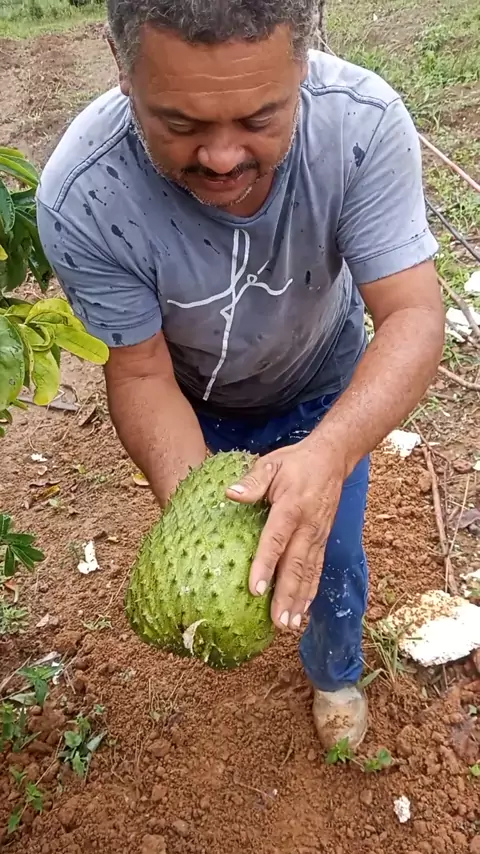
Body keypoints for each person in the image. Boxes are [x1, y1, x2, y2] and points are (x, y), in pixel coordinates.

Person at [36, 0, 445, 750]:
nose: (223, 158)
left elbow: (413, 314)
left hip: (325, 388)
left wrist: (329, 454)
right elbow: (141, 371)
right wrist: (202, 516)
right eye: (180, 124)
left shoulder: (360, 126)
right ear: (122, 67)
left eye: (260, 118)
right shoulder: (85, 195)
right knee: (255, 553)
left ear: (304, 61)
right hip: (196, 401)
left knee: (331, 557)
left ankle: (334, 671)